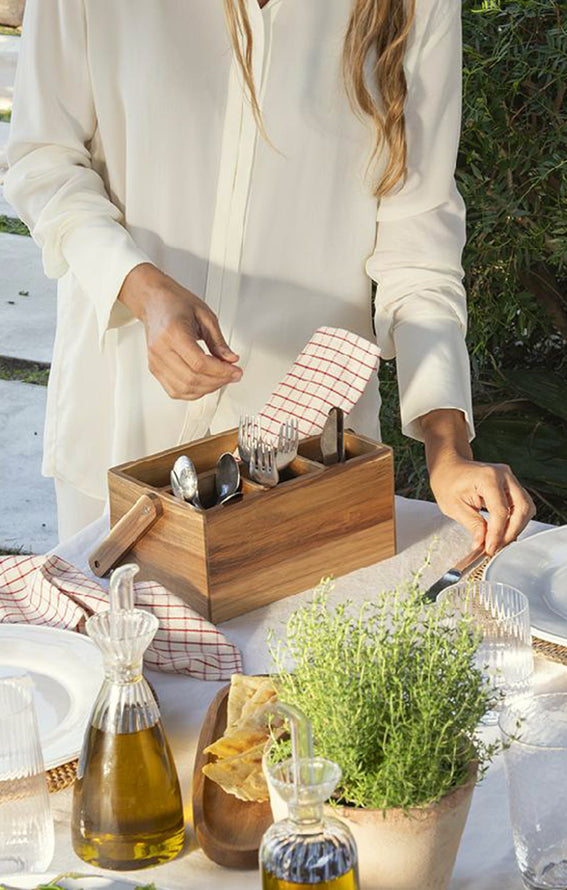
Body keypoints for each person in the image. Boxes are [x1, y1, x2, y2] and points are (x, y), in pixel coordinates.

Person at [5, 0, 535, 550]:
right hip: (119, 422)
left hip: (310, 457)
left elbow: (419, 244)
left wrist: (448, 449)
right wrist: (140, 287)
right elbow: (44, 159)